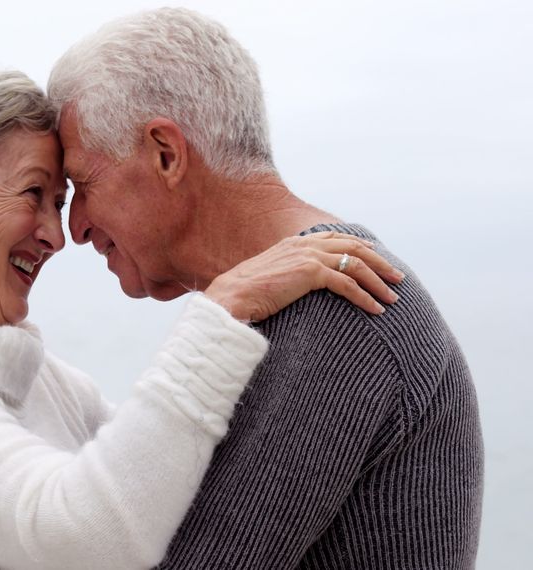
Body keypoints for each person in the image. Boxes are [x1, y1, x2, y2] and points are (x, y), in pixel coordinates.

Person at [0, 46, 400, 570]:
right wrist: (222, 312)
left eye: (62, 199)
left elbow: (168, 491)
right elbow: (86, 535)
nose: (56, 233)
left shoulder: (41, 382)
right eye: (32, 194)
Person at [47, 7, 483, 568]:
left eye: (83, 184)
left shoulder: (341, 311)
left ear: (166, 153)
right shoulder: (295, 307)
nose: (75, 226)